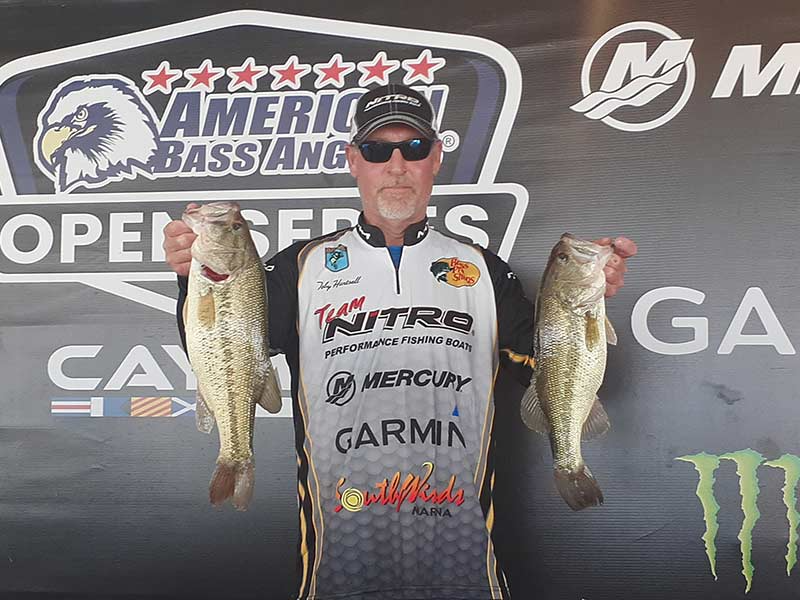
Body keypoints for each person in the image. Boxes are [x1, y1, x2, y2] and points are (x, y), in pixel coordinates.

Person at [163, 84, 637, 600]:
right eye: (376, 150)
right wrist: (194, 282)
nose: (395, 165)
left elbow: (543, 369)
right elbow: (225, 352)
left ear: (435, 158)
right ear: (354, 161)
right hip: (340, 561)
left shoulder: (483, 269)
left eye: (412, 148)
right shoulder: (299, 266)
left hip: (465, 561)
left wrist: (582, 304)